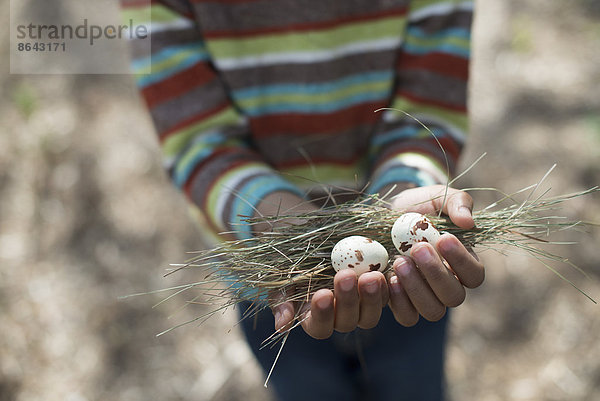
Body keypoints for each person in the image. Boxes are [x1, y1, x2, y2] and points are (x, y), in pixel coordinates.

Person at [122, 0, 484, 399]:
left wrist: (398, 194)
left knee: (412, 386)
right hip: (270, 273)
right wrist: (271, 215)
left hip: (407, 275)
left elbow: (428, 112)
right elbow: (195, 138)